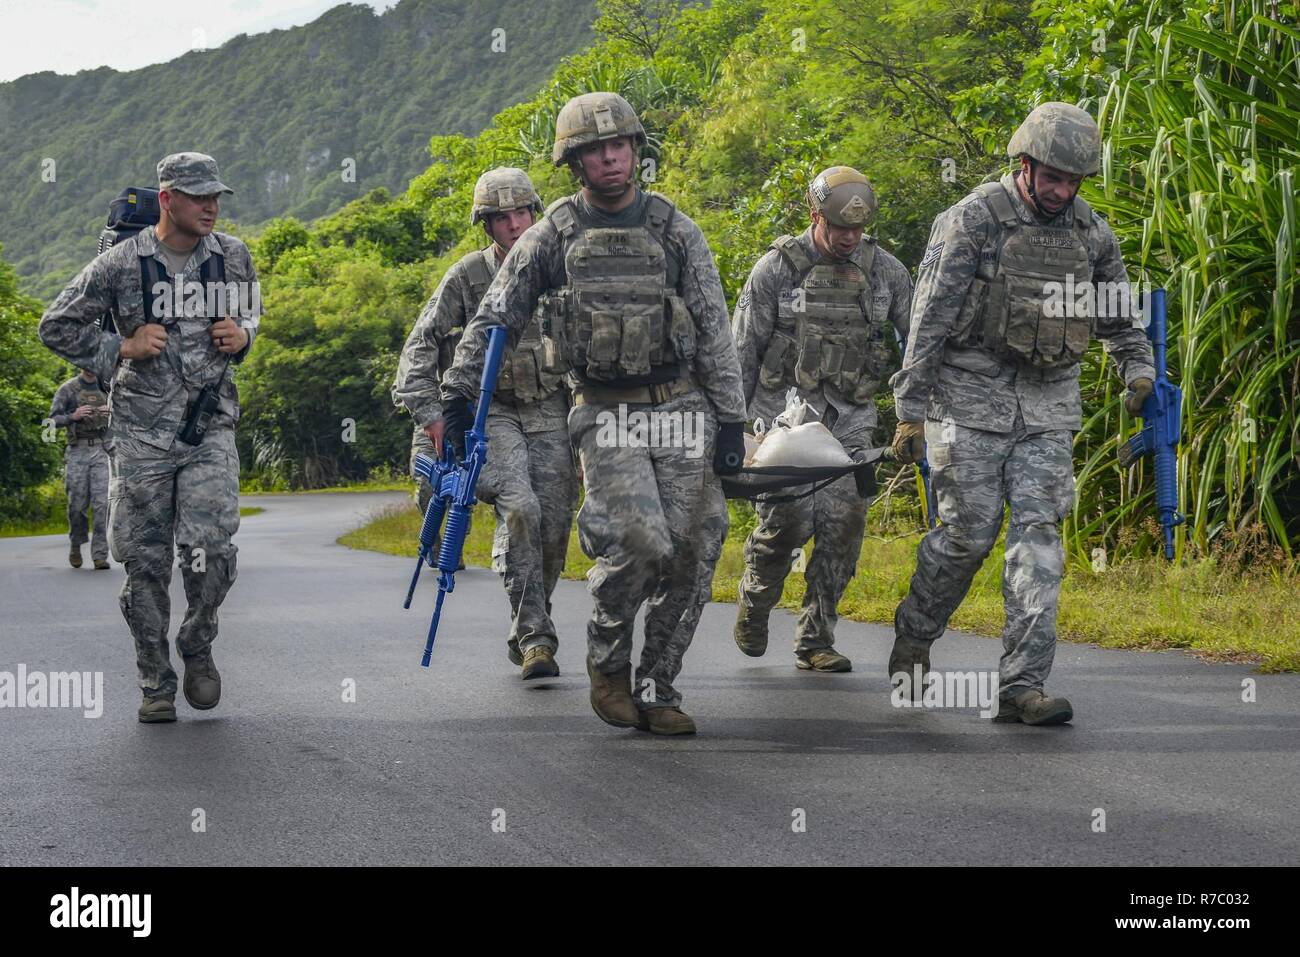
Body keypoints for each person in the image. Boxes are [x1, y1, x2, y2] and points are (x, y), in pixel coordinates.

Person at [436, 93, 747, 735]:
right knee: (639, 541)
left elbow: (715, 329)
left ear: (636, 150)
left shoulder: (674, 229)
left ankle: (659, 685)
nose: (610, 158)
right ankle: (608, 663)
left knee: (694, 546)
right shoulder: (554, 232)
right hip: (605, 410)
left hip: (683, 404)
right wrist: (459, 396)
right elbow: (496, 315)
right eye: (594, 151)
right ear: (574, 163)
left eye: (619, 146)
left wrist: (734, 422)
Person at [888, 103, 1155, 725]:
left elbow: (1119, 317)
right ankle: (915, 636)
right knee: (966, 537)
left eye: (1075, 181)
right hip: (966, 400)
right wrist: (909, 412)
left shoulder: (1091, 234)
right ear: (1026, 165)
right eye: (1054, 178)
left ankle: (1022, 684)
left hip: (1047, 406)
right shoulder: (972, 221)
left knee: (1038, 542)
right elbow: (927, 319)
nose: (1064, 192)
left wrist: (1137, 371)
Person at [39, 152, 259, 724]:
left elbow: (250, 317)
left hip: (209, 424)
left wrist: (243, 335)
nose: (211, 205)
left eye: (216, 196)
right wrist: (119, 349)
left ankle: (197, 641)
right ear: (168, 200)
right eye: (198, 196)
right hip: (139, 435)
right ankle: (155, 679)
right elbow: (56, 325)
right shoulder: (119, 264)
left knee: (211, 549)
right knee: (145, 562)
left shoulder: (233, 256)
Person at [393, 167, 578, 680]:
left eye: (523, 213)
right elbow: (419, 346)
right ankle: (537, 636)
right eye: (503, 218)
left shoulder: (560, 269)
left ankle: (528, 621)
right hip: (486, 411)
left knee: (554, 522)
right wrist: (432, 413)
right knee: (519, 509)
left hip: (549, 409)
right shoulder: (468, 276)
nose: (516, 225)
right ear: (486, 225)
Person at [731, 166, 913, 672]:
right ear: (815, 217)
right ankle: (757, 596)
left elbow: (919, 340)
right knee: (787, 523)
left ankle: (816, 638)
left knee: (844, 522)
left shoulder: (886, 272)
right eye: (839, 228)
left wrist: (916, 414)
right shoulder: (777, 269)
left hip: (849, 415)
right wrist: (733, 429)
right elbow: (742, 350)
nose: (850, 238)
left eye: (858, 229)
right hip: (782, 413)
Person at [48, 368, 112, 569]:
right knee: (77, 505)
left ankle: (100, 555)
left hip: (102, 450)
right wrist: (72, 416)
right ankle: (76, 544)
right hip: (78, 451)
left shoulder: (109, 387)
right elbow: (50, 421)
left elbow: (131, 416)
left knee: (103, 505)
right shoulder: (68, 389)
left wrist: (112, 412)